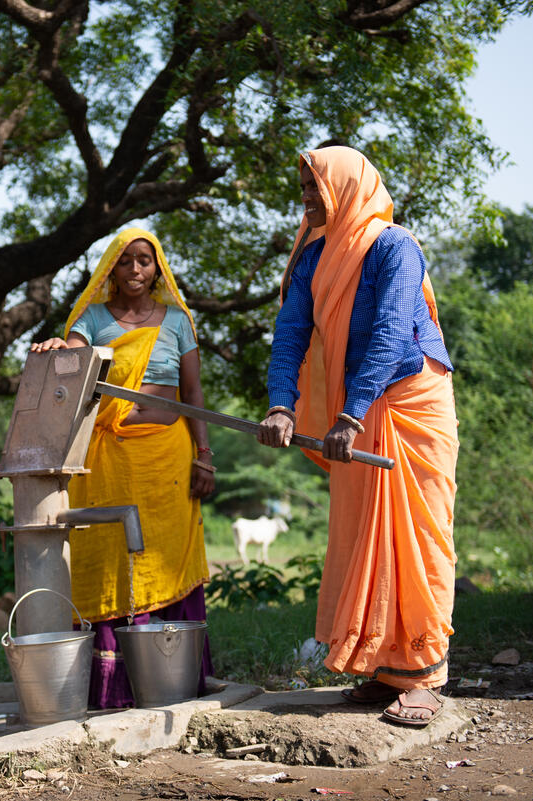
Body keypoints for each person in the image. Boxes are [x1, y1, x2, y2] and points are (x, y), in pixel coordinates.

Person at [257, 146, 459, 727]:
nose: (305, 197)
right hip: (358, 407)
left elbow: (394, 329)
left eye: (313, 185)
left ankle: (425, 674)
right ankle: (385, 669)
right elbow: (291, 332)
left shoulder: (397, 247)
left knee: (417, 539)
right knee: (365, 536)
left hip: (408, 399)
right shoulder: (313, 257)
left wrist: (349, 416)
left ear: (346, 188)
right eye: (302, 185)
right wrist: (280, 404)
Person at [31, 228, 215, 708]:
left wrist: (205, 455)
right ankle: (115, 687)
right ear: (110, 267)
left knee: (164, 557)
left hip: (167, 462)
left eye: (145, 261)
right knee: (112, 556)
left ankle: (174, 674)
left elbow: (193, 395)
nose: (136, 270)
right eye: (126, 261)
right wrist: (58, 348)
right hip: (107, 459)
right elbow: (71, 367)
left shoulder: (178, 321)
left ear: (158, 268)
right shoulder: (91, 318)